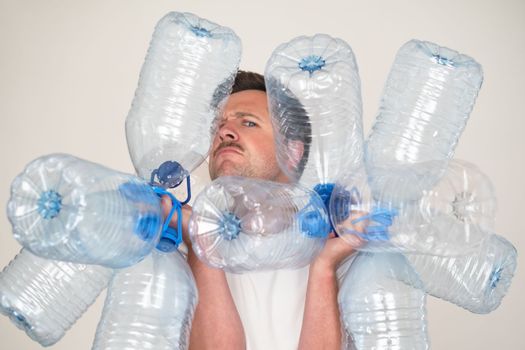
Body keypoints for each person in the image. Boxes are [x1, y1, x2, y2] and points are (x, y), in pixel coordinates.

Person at [163, 70, 360, 349]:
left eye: (248, 122)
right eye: (217, 126)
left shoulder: (346, 248)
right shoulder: (177, 249)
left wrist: (324, 267)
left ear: (291, 152)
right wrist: (199, 243)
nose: (223, 132)